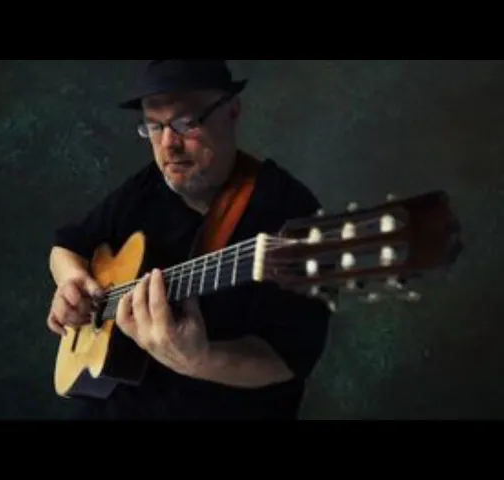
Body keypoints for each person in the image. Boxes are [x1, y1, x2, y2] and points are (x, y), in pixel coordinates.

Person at [46, 60, 332, 420]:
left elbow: (288, 360)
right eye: (154, 126)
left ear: (232, 111)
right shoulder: (147, 186)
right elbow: (68, 245)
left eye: (186, 123)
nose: (169, 144)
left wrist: (199, 359)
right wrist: (71, 281)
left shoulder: (289, 211)